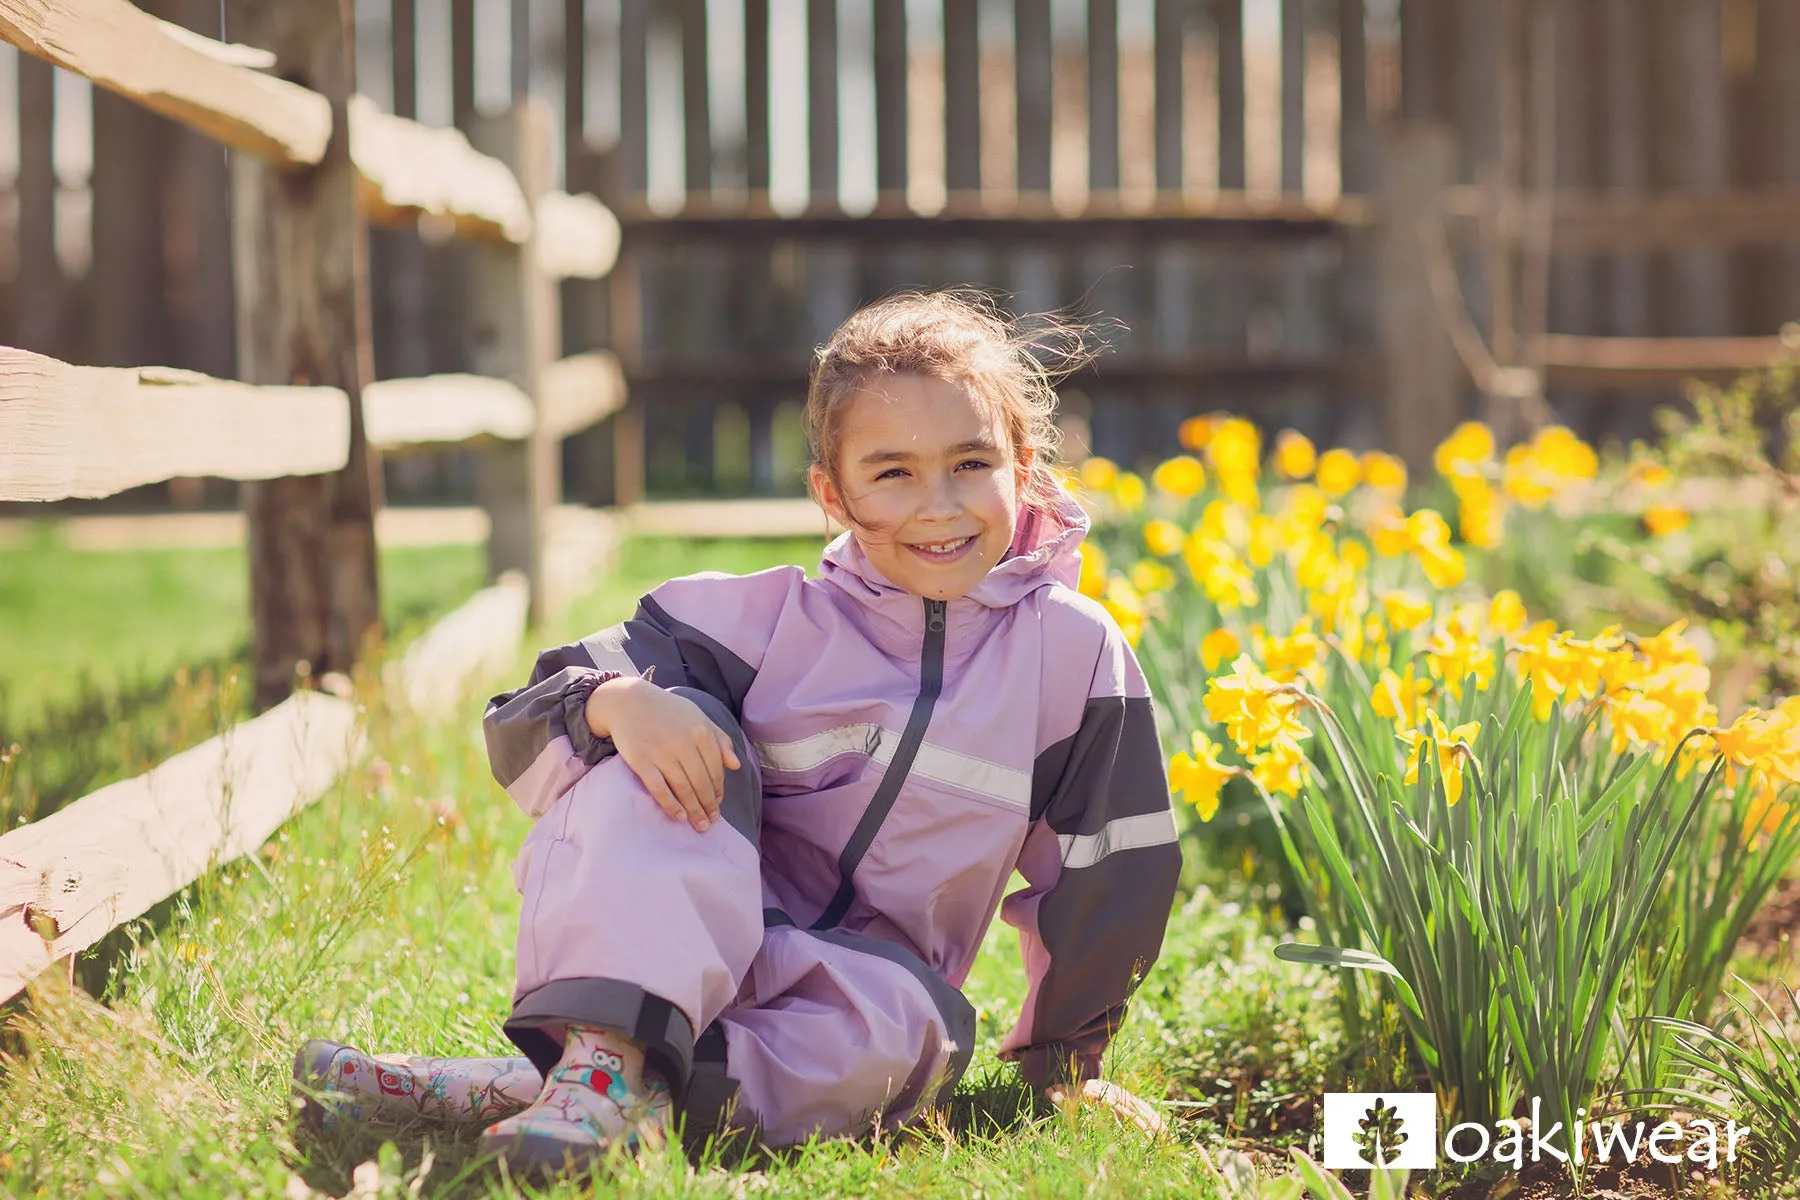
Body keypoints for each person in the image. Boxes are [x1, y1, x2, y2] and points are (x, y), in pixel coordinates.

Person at [294, 290, 1184, 1173]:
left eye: (970, 463)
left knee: (914, 1043)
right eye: (892, 472)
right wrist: (619, 705)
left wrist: (1063, 1064)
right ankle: (604, 1055)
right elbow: (523, 718)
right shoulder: (754, 624)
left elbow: (1111, 868)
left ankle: (545, 1091)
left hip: (855, 993)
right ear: (831, 495)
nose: (939, 505)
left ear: (1022, 466)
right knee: (640, 753)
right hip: (676, 938)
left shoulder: (1071, 655)